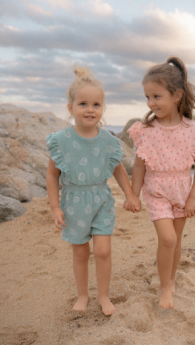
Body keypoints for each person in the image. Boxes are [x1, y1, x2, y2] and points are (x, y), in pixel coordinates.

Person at [46, 66, 141, 316]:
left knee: (102, 250)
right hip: (73, 202)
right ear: (70, 108)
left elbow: (118, 170)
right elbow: (52, 175)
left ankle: (103, 296)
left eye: (96, 105)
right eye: (83, 104)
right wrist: (55, 207)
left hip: (101, 200)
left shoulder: (108, 141)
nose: (90, 109)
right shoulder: (61, 140)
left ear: (102, 108)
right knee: (80, 252)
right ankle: (82, 296)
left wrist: (130, 194)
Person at [128, 56, 195, 309]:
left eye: (156, 96)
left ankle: (172, 278)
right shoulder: (146, 130)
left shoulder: (193, 130)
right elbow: (139, 166)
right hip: (156, 191)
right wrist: (133, 195)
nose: (151, 103)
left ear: (176, 95)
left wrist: (193, 197)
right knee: (167, 239)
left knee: (176, 239)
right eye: (147, 97)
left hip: (182, 192)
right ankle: (165, 288)